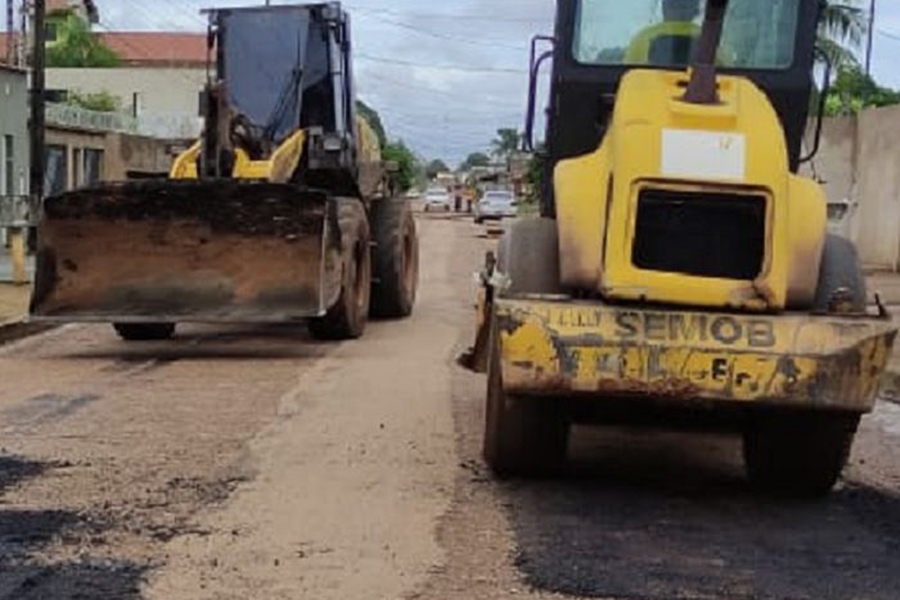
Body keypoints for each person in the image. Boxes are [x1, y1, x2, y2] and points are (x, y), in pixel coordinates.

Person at [624, 0, 702, 65]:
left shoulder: (642, 38)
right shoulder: (708, 40)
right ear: (696, 8)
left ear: (664, 5)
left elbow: (626, 76)